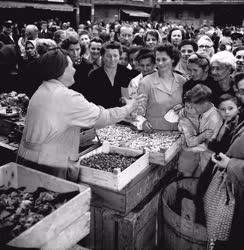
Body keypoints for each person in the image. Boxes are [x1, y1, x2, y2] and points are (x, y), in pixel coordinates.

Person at [17, 47, 144, 182]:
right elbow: (104, 117)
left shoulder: (42, 90)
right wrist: (130, 106)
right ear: (60, 71)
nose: (75, 70)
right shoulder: (66, 97)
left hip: (27, 160)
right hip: (49, 165)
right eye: (71, 66)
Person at [137, 43, 186, 131]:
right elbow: (137, 112)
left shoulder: (182, 81)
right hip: (154, 134)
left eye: (164, 59)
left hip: (178, 132)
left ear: (173, 60)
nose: (160, 63)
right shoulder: (146, 82)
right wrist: (142, 123)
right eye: (157, 60)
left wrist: (183, 107)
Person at [87, 41, 134, 108]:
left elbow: (129, 98)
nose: (112, 59)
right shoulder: (94, 75)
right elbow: (90, 100)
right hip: (102, 114)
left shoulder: (126, 73)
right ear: (102, 56)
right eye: (108, 56)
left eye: (115, 56)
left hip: (122, 114)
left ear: (119, 56)